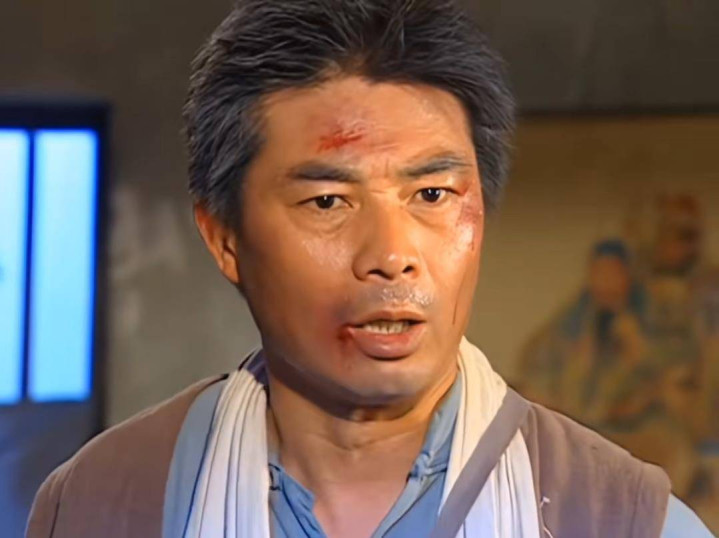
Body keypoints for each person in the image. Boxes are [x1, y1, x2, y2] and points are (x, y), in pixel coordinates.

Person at [26, 0, 714, 536]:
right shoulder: (103, 503)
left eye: (432, 195)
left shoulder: (620, 517)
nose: (391, 256)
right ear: (223, 238)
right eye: (328, 201)